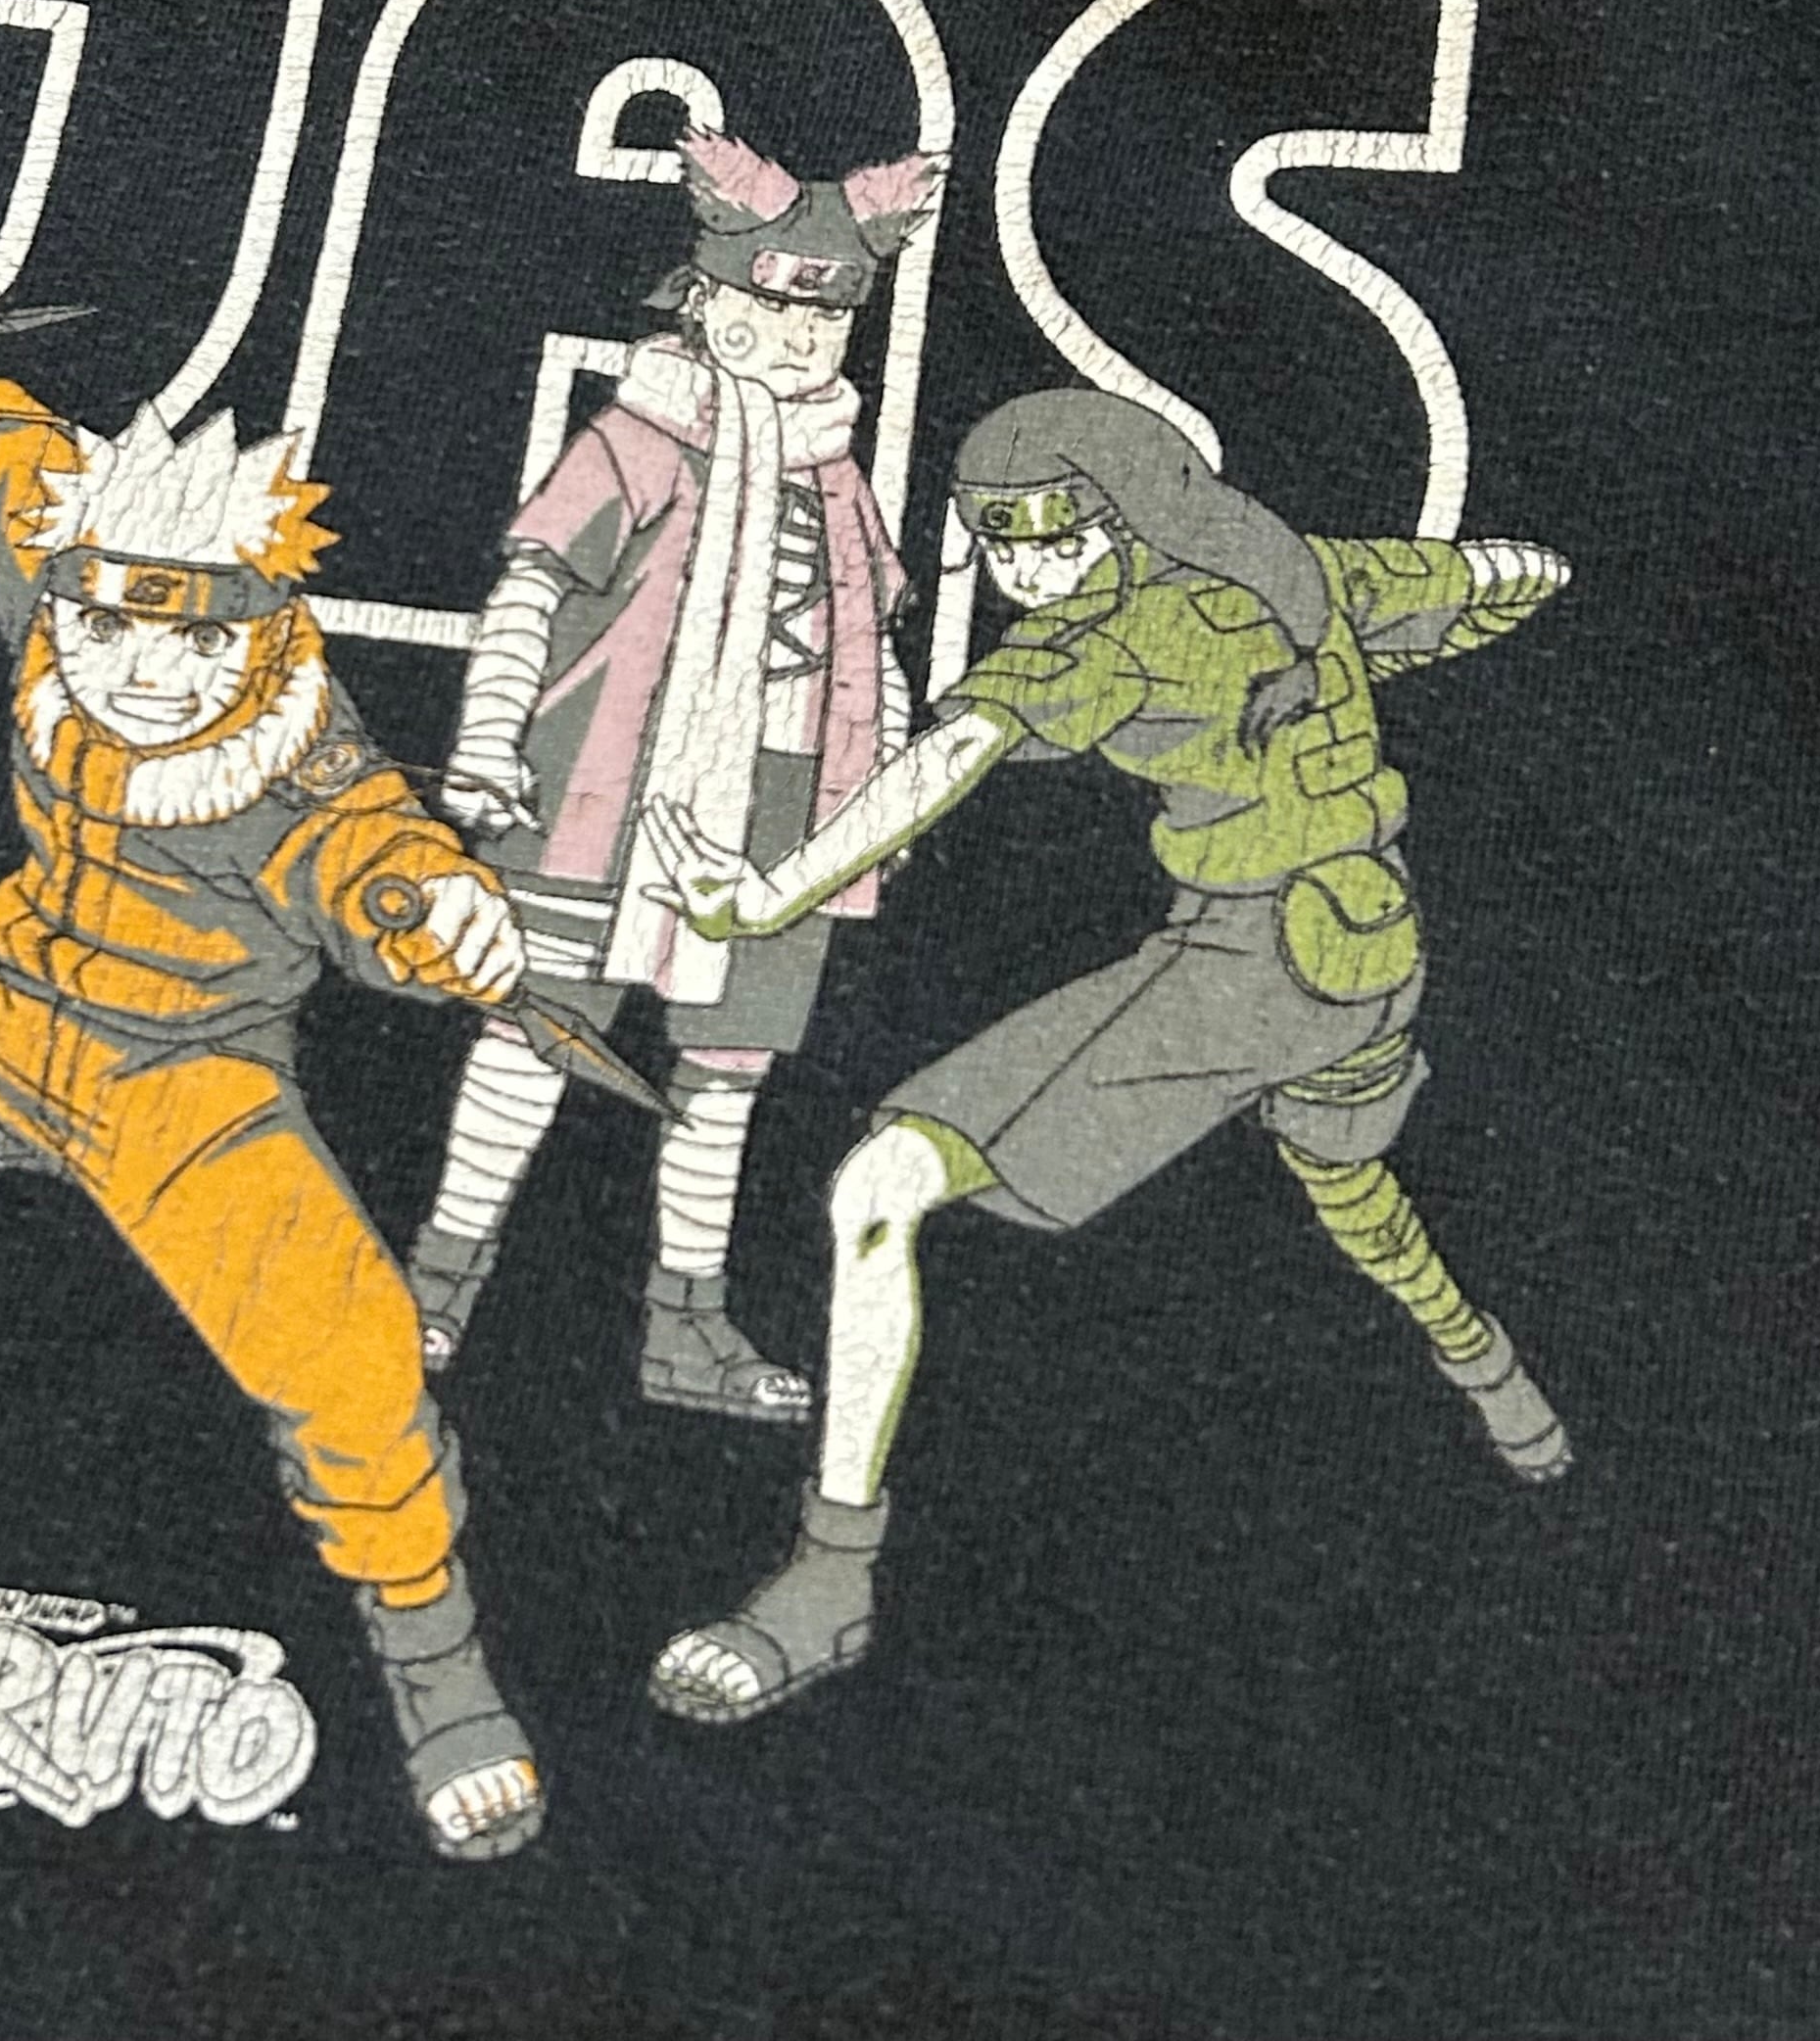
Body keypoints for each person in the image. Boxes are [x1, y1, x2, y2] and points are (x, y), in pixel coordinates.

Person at [638, 386, 1574, 1725]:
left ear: (1127, 519)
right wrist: (1453, 613)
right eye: (998, 547)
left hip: (1256, 962)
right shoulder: (1302, 572)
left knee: (883, 1187)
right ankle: (1493, 1378)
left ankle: (831, 1576)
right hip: (1373, 951)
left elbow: (947, 759)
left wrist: (769, 895)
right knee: (1353, 1193)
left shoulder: (1115, 641)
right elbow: (1503, 581)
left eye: (1050, 540)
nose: (1025, 577)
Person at [0, 304, 548, 1864]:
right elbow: (20, 473)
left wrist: (447, 917)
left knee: (355, 1367)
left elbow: (380, 866)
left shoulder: (303, 761)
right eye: (107, 631)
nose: (142, 675)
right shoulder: (53, 581)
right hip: (0, 1033)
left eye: (197, 641)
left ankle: (436, 1667)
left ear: (262, 632)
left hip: (187, 1092)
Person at [407, 127, 940, 1422]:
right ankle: (432, 1287)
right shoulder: (641, 439)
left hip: (787, 817)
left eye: (825, 323)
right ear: (704, 301)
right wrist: (486, 737)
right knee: (533, 1035)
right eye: (774, 310)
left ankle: (685, 1327)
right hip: (597, 797)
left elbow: (872, 643)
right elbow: (534, 585)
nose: (799, 341)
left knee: (728, 1072)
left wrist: (884, 797)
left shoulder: (838, 473)